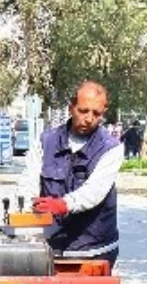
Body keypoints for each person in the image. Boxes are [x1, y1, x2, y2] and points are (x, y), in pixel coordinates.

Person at [21, 81, 123, 268]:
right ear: (71, 108)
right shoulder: (46, 141)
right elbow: (29, 182)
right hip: (50, 249)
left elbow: (95, 191)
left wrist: (63, 204)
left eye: (96, 113)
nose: (89, 118)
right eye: (83, 111)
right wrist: (24, 218)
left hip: (95, 251)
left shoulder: (111, 148)